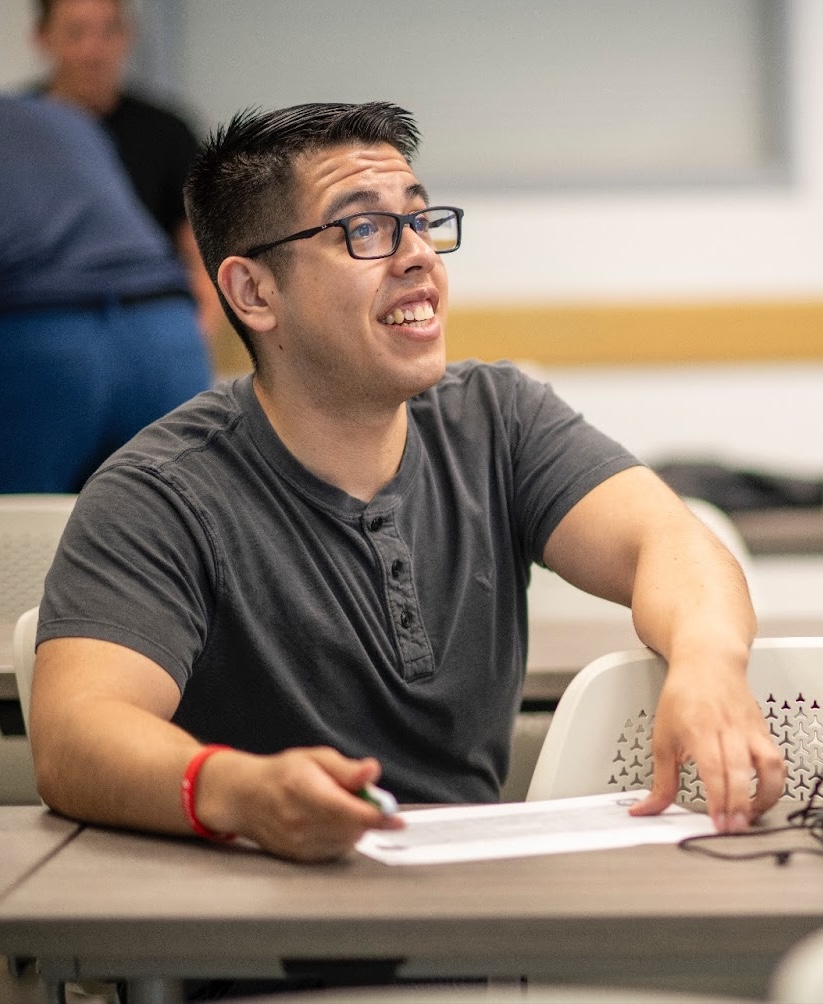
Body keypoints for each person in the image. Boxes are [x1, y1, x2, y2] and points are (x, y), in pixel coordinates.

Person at [31, 102, 785, 868]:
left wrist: (705, 664)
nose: (418, 256)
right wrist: (241, 791)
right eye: (364, 230)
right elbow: (76, 733)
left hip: (475, 926)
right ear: (254, 293)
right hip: (255, 942)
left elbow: (669, 540)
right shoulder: (158, 493)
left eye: (420, 222)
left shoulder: (499, 418)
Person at [0, 95, 211, 493]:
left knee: (18, 535)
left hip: (42, 339)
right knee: (178, 528)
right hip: (165, 333)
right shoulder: (68, 118)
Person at [31, 0, 222, 340]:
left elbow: (203, 253)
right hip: (37, 325)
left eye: (108, 31)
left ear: (127, 35)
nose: (93, 51)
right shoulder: (14, 133)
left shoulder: (168, 131)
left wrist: (191, 340)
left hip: (149, 321)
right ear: (43, 37)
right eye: (76, 33)